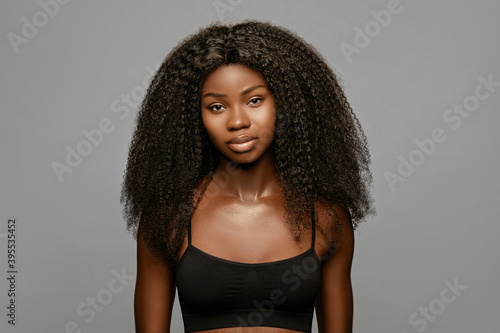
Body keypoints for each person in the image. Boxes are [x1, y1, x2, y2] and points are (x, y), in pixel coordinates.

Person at [120, 19, 375, 333]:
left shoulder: (326, 216)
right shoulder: (168, 216)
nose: (237, 121)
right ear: (192, 117)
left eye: (254, 100)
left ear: (284, 101)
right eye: (216, 107)